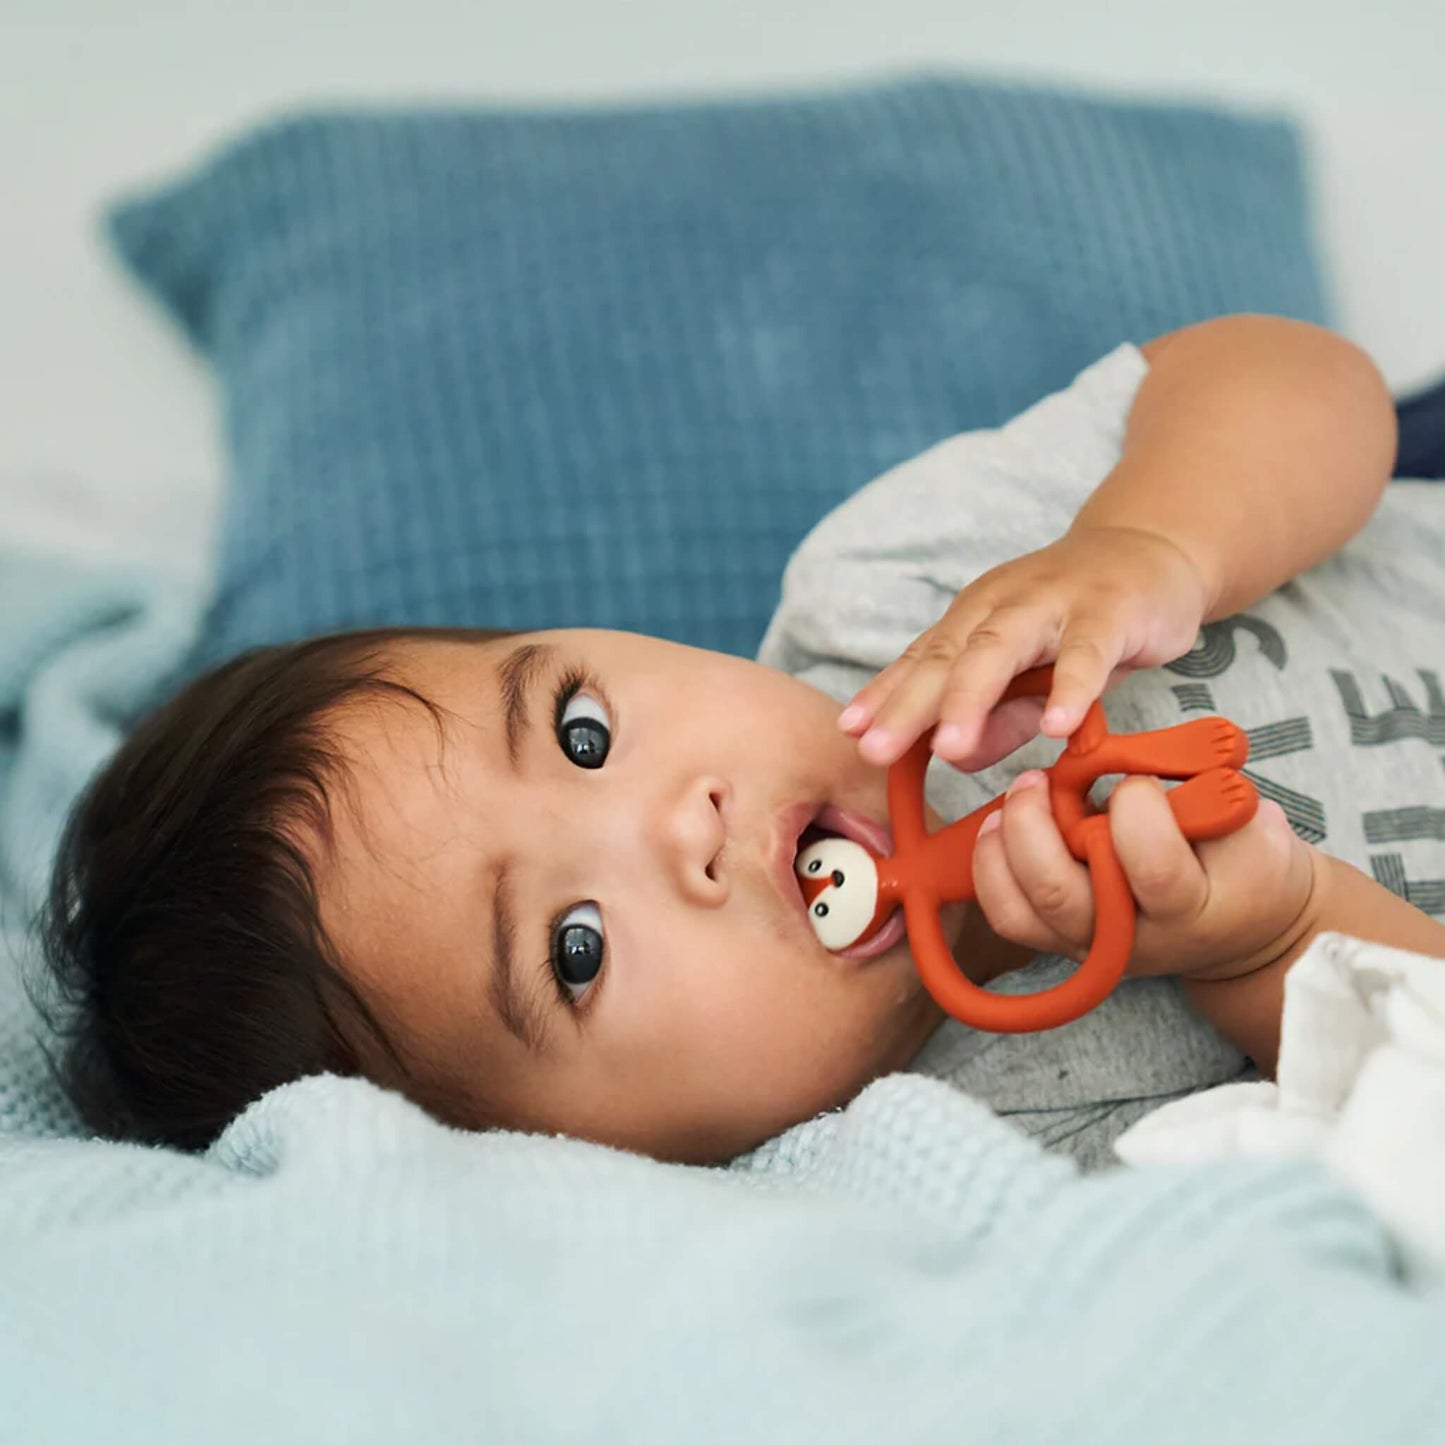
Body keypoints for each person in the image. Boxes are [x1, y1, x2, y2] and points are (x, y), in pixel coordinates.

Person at [32, 313, 1445, 1170]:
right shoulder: (999, 1143)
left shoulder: (889, 587)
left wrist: (1150, 540)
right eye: (570, 947)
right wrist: (1273, 945)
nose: (680, 826)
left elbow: (1311, 381)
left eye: (581, 729)